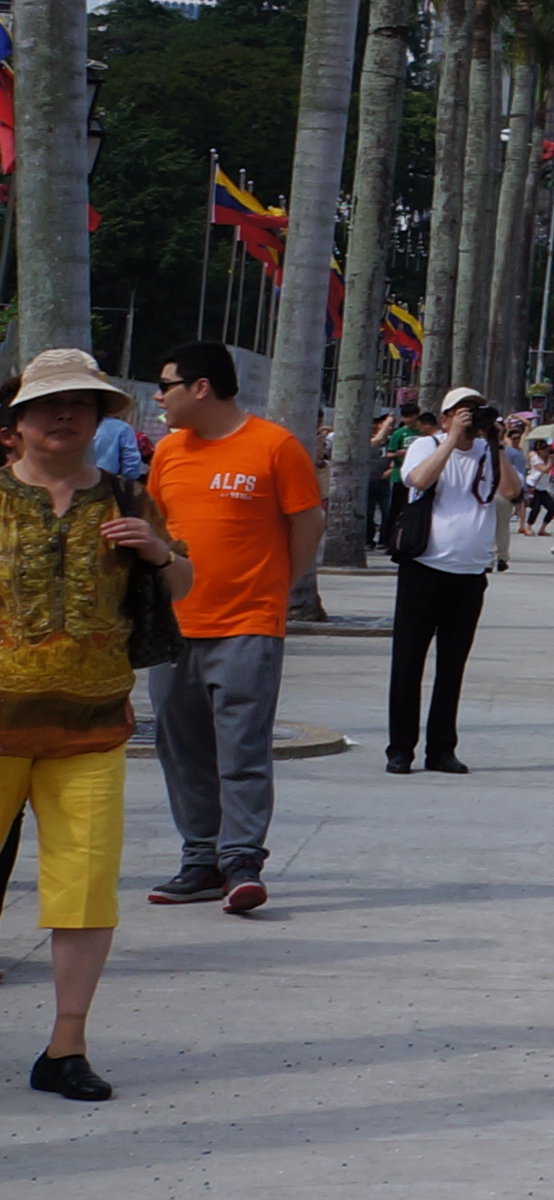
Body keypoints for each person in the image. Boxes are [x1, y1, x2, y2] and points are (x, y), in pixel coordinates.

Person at [5, 348, 197, 1096]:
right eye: (48, 406)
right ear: (17, 422)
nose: (63, 416)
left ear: (97, 419)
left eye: (79, 405)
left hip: (90, 731)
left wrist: (155, 552)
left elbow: (183, 579)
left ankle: (65, 1048)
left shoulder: (127, 497)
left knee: (84, 890)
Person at [139, 343, 323, 919]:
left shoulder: (274, 447)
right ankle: (200, 860)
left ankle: (241, 860)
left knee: (242, 748)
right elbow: (156, 528)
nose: (157, 395)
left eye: (165, 384)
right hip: (176, 627)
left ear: (200, 387)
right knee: (181, 748)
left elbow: (308, 522)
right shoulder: (169, 452)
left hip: (247, 625)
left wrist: (276, 591)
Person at [387, 388, 513, 773]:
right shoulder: (426, 445)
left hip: (470, 574)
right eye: (463, 413)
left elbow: (512, 491)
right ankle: (401, 749)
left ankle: (441, 748)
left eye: (477, 412)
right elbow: (420, 481)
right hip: (423, 570)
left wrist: (497, 444)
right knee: (408, 663)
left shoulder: (490, 452)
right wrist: (451, 441)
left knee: (452, 666)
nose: (471, 419)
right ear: (444, 418)